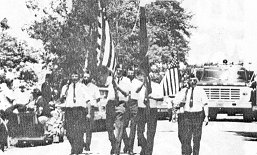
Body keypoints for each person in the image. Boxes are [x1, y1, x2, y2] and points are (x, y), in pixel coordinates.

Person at [173, 74, 208, 155]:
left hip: (198, 115)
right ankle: (188, 151)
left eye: (194, 80)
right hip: (187, 115)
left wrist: (206, 116)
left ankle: (196, 153)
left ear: (197, 81)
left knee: (197, 138)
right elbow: (176, 101)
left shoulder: (201, 91)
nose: (192, 82)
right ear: (188, 81)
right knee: (185, 137)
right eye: (191, 80)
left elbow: (205, 104)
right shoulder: (184, 91)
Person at [60, 71, 92, 155]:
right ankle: (77, 146)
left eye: (76, 76)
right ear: (70, 76)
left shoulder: (83, 87)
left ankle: (75, 150)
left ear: (78, 77)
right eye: (72, 76)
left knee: (79, 131)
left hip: (79, 111)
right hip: (69, 111)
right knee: (69, 133)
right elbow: (61, 99)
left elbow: (88, 101)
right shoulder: (66, 87)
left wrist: (88, 113)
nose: (74, 78)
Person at [137, 72, 163, 155]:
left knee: (150, 133)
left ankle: (148, 152)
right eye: (145, 76)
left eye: (148, 76)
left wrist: (152, 96)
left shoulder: (156, 86)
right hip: (141, 109)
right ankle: (144, 146)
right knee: (139, 132)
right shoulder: (140, 85)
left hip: (152, 110)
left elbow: (161, 97)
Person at [105, 68, 130, 155]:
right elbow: (101, 80)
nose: (118, 71)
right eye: (116, 70)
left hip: (120, 104)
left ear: (123, 71)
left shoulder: (127, 80)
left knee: (119, 129)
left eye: (120, 70)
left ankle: (116, 151)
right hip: (110, 104)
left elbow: (126, 93)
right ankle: (114, 145)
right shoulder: (109, 79)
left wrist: (118, 87)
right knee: (109, 128)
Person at [82, 71, 101, 151]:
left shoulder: (94, 87)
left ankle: (87, 145)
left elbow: (98, 99)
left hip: (91, 109)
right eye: (84, 77)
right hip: (82, 108)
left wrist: (98, 109)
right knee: (81, 127)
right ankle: (82, 143)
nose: (85, 78)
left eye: (87, 77)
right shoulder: (80, 86)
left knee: (89, 128)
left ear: (90, 78)